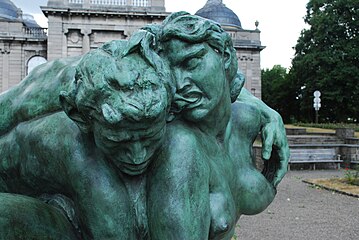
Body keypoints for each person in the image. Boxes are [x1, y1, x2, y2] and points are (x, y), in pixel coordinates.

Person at [144, 12, 289, 239]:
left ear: (225, 57)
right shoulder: (180, 146)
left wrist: (269, 112)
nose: (179, 84)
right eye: (169, 73)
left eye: (191, 62)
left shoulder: (246, 119)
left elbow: (230, 87)